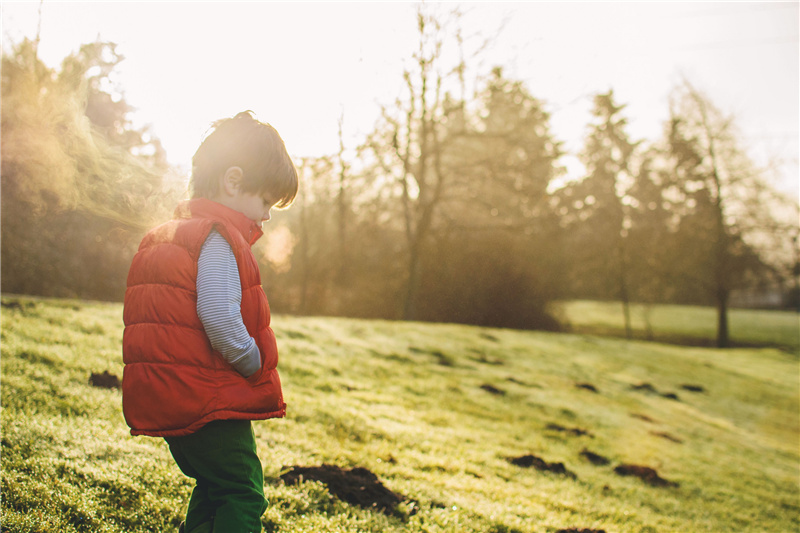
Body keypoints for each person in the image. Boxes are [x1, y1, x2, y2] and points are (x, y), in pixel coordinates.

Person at [122, 111, 299, 533]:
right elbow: (219, 318)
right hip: (209, 404)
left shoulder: (169, 234)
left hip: (171, 397)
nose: (268, 216)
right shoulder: (217, 238)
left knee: (215, 488)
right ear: (233, 182)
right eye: (266, 202)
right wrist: (253, 361)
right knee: (243, 492)